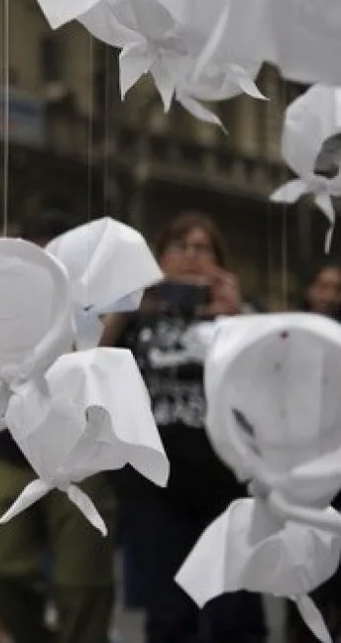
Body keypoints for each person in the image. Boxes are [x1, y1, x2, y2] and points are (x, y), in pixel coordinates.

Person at [105, 211, 264, 643]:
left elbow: (268, 383)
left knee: (235, 614)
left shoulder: (245, 317)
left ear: (219, 261)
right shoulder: (136, 318)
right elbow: (90, 365)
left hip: (228, 486)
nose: (191, 256)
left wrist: (235, 316)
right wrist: (126, 309)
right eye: (180, 247)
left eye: (202, 248)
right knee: (170, 615)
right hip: (156, 490)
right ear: (160, 259)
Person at [0, 211, 118, 643]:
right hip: (16, 451)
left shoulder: (97, 306)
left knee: (82, 583)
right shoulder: (6, 306)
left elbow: (97, 361)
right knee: (3, 566)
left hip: (82, 457)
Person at [289, 258, 341, 641]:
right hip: (304, 474)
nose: (329, 296)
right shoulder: (288, 336)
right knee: (307, 579)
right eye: (323, 286)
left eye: (337, 289)